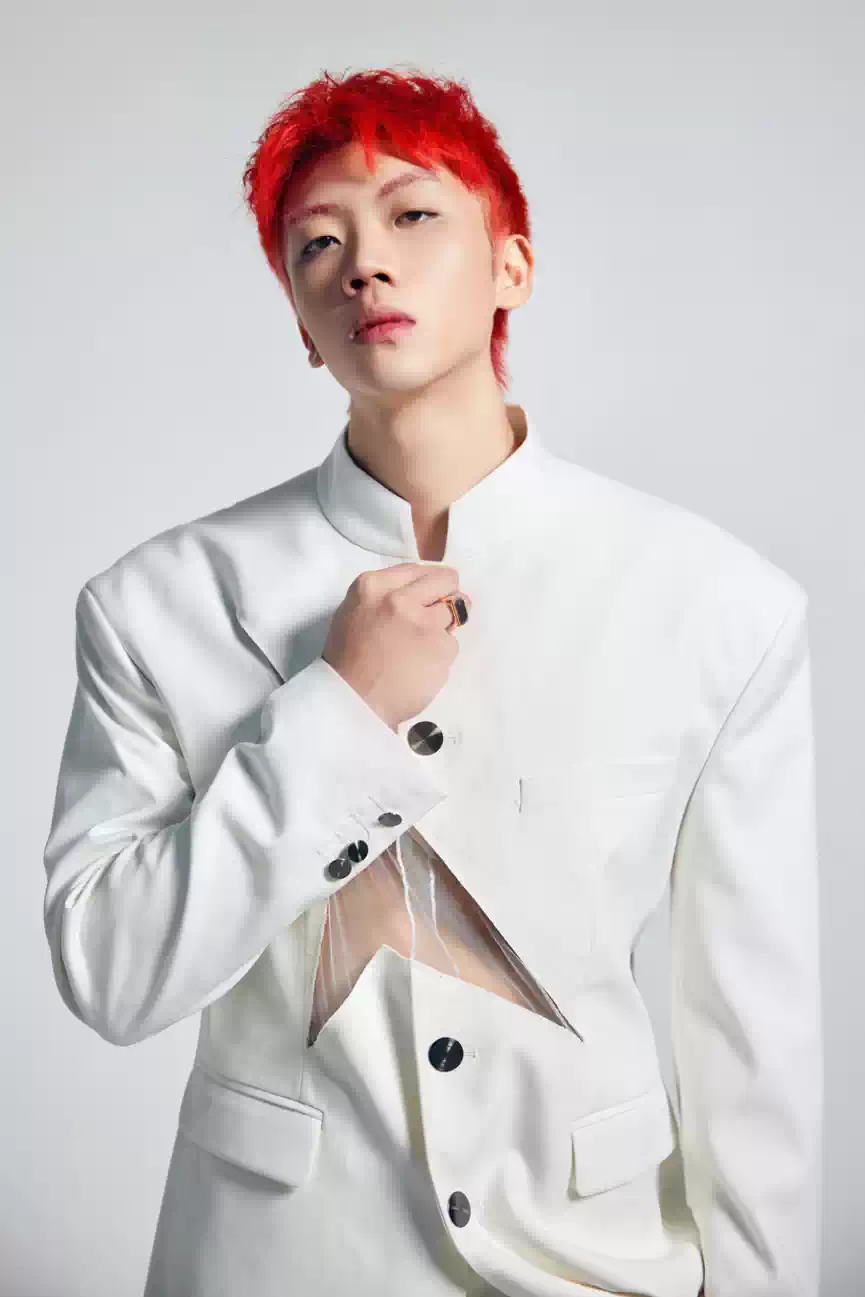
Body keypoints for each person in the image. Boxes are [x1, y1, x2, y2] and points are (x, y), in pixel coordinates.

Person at [42, 66, 822, 1297]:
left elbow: (751, 1039)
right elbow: (114, 977)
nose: (365, 263)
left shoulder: (720, 605)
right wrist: (333, 717)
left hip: (598, 1265)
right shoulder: (155, 606)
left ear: (512, 266)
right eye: (319, 242)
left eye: (412, 215)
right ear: (301, 322)